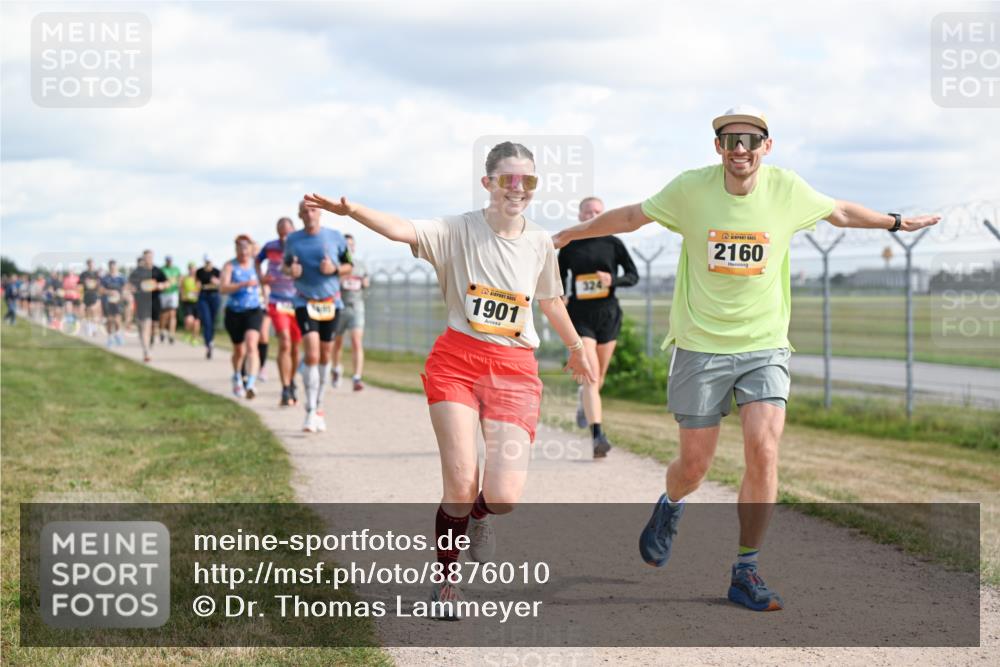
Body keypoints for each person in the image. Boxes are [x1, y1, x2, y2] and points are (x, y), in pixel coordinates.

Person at [553, 105, 941, 612]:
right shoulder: (690, 189)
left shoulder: (787, 189)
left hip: (764, 346)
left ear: (766, 147)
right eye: (731, 141)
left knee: (764, 449)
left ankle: (746, 568)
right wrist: (567, 235)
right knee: (694, 467)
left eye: (751, 141)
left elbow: (840, 211)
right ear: (718, 148)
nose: (741, 150)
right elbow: (631, 217)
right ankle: (672, 504)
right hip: (700, 347)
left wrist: (895, 221)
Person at [304, 140, 595, 619]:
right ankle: (446, 580)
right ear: (489, 183)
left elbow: (548, 300)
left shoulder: (541, 241)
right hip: (457, 361)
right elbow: (401, 229)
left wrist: (577, 348)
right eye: (508, 179)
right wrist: (352, 211)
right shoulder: (456, 229)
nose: (517, 189)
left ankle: (480, 517)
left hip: (515, 370)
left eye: (528, 181)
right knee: (460, 483)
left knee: (501, 497)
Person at [557, 195, 639, 458]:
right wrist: (561, 297)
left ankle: (585, 403)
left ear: (605, 214)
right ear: (580, 215)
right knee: (591, 374)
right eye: (588, 211)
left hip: (608, 315)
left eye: (598, 211)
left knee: (598, 378)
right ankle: (597, 436)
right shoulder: (570, 246)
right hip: (580, 315)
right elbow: (557, 280)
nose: (593, 215)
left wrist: (612, 279)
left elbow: (633, 276)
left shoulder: (614, 243)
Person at [283, 200, 353, 433]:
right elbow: (285, 266)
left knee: (325, 355)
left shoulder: (335, 237)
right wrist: (290, 271)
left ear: (320, 213)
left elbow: (348, 266)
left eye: (313, 210)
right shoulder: (293, 240)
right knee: (311, 354)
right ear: (300, 215)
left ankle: (320, 405)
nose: (309, 214)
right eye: (305, 211)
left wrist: (333, 269)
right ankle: (310, 409)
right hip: (305, 301)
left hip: (331, 302)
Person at [257, 217, 302, 407]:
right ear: (277, 231)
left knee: (295, 347)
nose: (284, 234)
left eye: (287, 231)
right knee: (284, 340)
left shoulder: (300, 245)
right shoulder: (270, 247)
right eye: (281, 231)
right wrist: (262, 278)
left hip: (298, 302)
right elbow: (256, 261)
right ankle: (284, 388)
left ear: (293, 231)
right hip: (277, 301)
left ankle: (291, 381)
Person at [221, 235, 263, 399]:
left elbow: (264, 281)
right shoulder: (230, 266)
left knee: (252, 345)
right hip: (234, 312)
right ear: (236, 249)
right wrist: (242, 285)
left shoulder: (256, 264)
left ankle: (251, 383)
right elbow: (223, 288)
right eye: (240, 247)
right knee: (239, 350)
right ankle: (237, 376)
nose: (244, 250)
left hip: (253, 310)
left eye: (247, 247)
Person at [332, 233, 369, 391]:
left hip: (356, 307)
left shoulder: (360, 265)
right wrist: (343, 275)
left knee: (356, 341)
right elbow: (332, 285)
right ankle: (336, 368)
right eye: (346, 245)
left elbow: (366, 282)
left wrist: (364, 281)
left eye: (351, 244)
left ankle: (357, 378)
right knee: (337, 342)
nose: (349, 247)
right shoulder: (337, 265)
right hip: (339, 307)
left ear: (354, 247)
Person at [127, 250, 169, 362]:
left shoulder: (157, 271)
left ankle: (150, 344)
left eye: (150, 257)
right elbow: (129, 284)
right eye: (146, 257)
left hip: (155, 301)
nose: (148, 259)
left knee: (154, 326)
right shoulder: (137, 272)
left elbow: (167, 282)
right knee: (145, 326)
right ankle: (146, 351)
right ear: (143, 258)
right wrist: (131, 290)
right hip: (142, 302)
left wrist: (162, 285)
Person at [196, 257, 222, 359]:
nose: (207, 264)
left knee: (212, 321)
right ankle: (208, 344)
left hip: (215, 297)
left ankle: (211, 340)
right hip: (203, 298)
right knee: (206, 321)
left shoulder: (217, 271)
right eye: (206, 262)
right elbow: (197, 283)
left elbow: (222, 283)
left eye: (209, 262)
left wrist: (217, 282)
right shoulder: (200, 272)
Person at [101, 260, 127, 346]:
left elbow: (125, 288)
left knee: (117, 320)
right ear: (109, 268)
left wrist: (121, 295)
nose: (112, 268)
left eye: (114, 267)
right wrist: (109, 292)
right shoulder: (105, 278)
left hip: (118, 301)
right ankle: (110, 338)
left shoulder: (121, 277)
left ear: (116, 267)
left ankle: (117, 334)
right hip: (107, 301)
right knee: (109, 320)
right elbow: (100, 290)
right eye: (111, 267)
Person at [158, 255, 182, 344]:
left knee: (172, 314)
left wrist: (179, 285)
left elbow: (180, 279)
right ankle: (162, 330)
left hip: (173, 293)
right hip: (164, 293)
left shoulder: (176, 269)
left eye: (170, 260)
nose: (169, 262)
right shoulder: (162, 270)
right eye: (168, 260)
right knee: (164, 314)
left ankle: (171, 334)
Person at [79, 259, 103, 337]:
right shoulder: (84, 274)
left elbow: (100, 284)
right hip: (86, 294)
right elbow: (79, 284)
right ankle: (89, 327)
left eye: (92, 264)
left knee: (93, 310)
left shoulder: (96, 274)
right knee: (88, 311)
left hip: (94, 294)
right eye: (89, 264)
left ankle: (94, 328)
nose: (90, 265)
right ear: (87, 264)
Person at [179, 262, 201, 345]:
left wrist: (195, 293)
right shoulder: (185, 278)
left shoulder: (198, 279)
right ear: (189, 269)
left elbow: (199, 290)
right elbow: (182, 289)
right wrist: (183, 295)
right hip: (188, 302)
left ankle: (194, 338)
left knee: (197, 322)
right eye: (191, 268)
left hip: (197, 302)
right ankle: (188, 332)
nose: (192, 270)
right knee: (189, 320)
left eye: (194, 268)